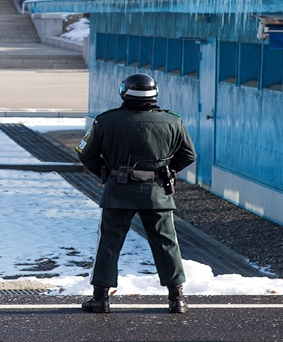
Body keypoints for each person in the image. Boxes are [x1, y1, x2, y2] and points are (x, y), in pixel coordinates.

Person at [76, 73, 196, 314]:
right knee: (166, 243)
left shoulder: (105, 120)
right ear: (154, 94)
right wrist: (165, 172)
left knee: (109, 243)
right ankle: (177, 299)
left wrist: (106, 173)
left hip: (118, 191)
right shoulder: (173, 121)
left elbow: (85, 153)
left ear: (124, 92)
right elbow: (188, 155)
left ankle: (100, 299)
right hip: (157, 193)